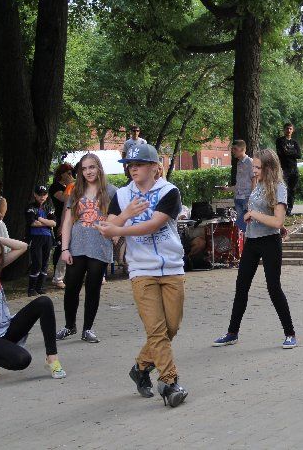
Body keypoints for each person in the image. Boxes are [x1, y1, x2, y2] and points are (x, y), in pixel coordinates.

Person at [96, 143, 188, 408]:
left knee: (171, 327)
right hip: (140, 270)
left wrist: (117, 230)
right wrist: (125, 216)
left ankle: (140, 367)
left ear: (154, 167)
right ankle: (170, 383)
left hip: (171, 267)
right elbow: (106, 226)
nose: (132, 169)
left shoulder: (169, 192)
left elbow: (151, 225)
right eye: (129, 166)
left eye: (137, 165)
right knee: (156, 330)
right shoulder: (123, 196)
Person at [212, 149, 297, 349]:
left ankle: (290, 333)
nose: (254, 171)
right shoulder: (258, 184)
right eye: (254, 167)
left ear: (269, 168)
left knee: (273, 288)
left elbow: (276, 220)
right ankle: (232, 333)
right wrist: (263, 217)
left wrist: (254, 215)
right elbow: (269, 214)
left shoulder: (279, 187)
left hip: (269, 243)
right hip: (252, 240)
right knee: (241, 286)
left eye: (258, 167)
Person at [0, 232, 66, 384]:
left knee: (44, 302)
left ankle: (52, 359)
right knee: (23, 359)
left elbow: (22, 247)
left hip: (7, 327)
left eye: (0, 255)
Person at [56, 153, 117, 344]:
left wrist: (117, 233)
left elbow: (120, 217)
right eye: (84, 168)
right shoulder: (75, 191)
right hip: (77, 244)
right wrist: (65, 249)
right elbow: (67, 222)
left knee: (93, 288)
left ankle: (87, 328)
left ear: (99, 168)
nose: (88, 171)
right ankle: (69, 325)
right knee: (71, 286)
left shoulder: (111, 191)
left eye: (92, 167)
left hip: (100, 245)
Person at [24, 186, 56, 297]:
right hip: (35, 237)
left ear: (47, 195)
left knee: (45, 263)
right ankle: (31, 288)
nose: (42, 197)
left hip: (48, 238)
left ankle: (40, 287)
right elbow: (32, 223)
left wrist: (41, 220)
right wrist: (47, 223)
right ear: (35, 195)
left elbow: (54, 223)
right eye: (39, 194)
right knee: (37, 263)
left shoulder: (49, 207)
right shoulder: (31, 207)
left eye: (44, 194)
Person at [49, 163, 74, 289]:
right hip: (60, 218)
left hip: (72, 218)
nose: (70, 175)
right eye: (68, 173)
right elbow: (65, 199)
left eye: (71, 173)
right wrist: (70, 184)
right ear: (62, 174)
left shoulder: (70, 185)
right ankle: (57, 276)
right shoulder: (55, 186)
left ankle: (66, 275)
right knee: (61, 246)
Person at [224, 140, 255, 234]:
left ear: (242, 149)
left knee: (244, 225)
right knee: (243, 227)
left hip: (246, 198)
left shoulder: (250, 162)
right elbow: (240, 183)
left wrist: (252, 198)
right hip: (238, 197)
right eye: (232, 149)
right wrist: (228, 189)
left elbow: (254, 181)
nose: (233, 151)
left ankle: (250, 245)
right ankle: (246, 247)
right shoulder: (238, 163)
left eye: (235, 149)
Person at [275, 122, 301, 216]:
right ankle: (282, 208)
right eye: (287, 129)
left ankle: (289, 209)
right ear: (284, 130)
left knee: (292, 189)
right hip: (284, 169)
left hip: (294, 168)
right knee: (283, 189)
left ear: (292, 130)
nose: (288, 130)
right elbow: (281, 153)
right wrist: (291, 152)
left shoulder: (295, 142)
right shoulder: (280, 141)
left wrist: (288, 151)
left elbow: (299, 155)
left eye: (290, 129)